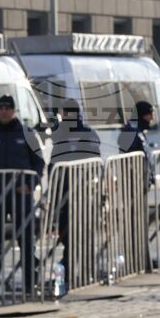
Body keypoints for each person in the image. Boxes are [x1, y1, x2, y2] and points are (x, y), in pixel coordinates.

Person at [0, 94, 47, 296]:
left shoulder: (27, 133)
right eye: (0, 107)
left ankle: (31, 283)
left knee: (26, 241)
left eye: (7, 108)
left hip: (21, 195)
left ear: (13, 111)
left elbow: (38, 162)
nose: (3, 111)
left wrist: (31, 184)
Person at [49, 101, 101, 289]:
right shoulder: (60, 135)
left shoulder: (86, 134)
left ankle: (82, 273)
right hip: (64, 196)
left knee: (82, 236)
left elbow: (93, 161)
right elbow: (54, 162)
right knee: (67, 236)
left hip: (83, 196)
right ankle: (71, 271)